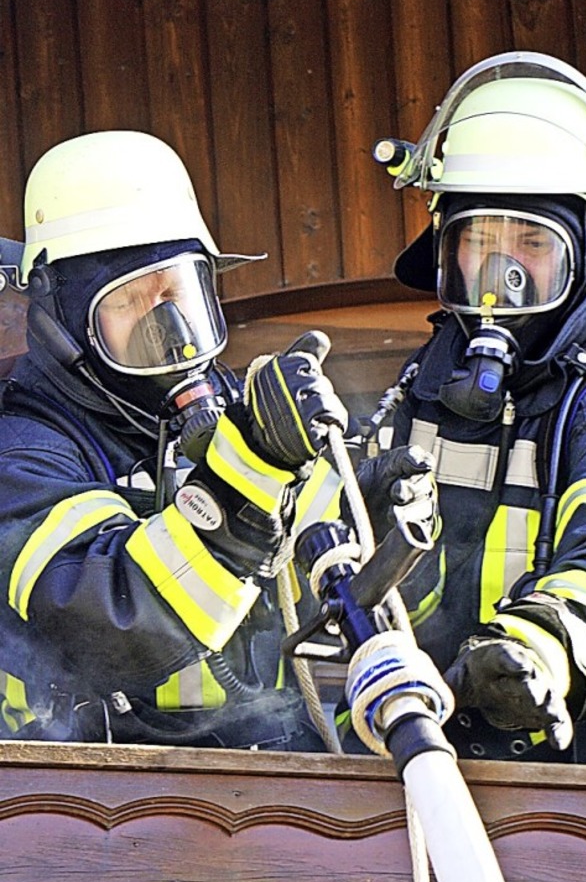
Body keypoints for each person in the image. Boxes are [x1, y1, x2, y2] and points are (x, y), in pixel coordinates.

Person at [0, 129, 349, 748]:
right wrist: (252, 475)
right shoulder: (23, 450)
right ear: (64, 327)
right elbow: (111, 621)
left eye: (178, 293)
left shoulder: (240, 414)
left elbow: (335, 591)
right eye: (131, 302)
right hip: (82, 792)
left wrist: (364, 505)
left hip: (266, 771)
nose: (170, 329)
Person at [347, 50, 586, 766]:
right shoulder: (430, 376)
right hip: (436, 744)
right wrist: (382, 541)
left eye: (533, 243)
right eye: (480, 242)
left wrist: (543, 646)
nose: (501, 276)